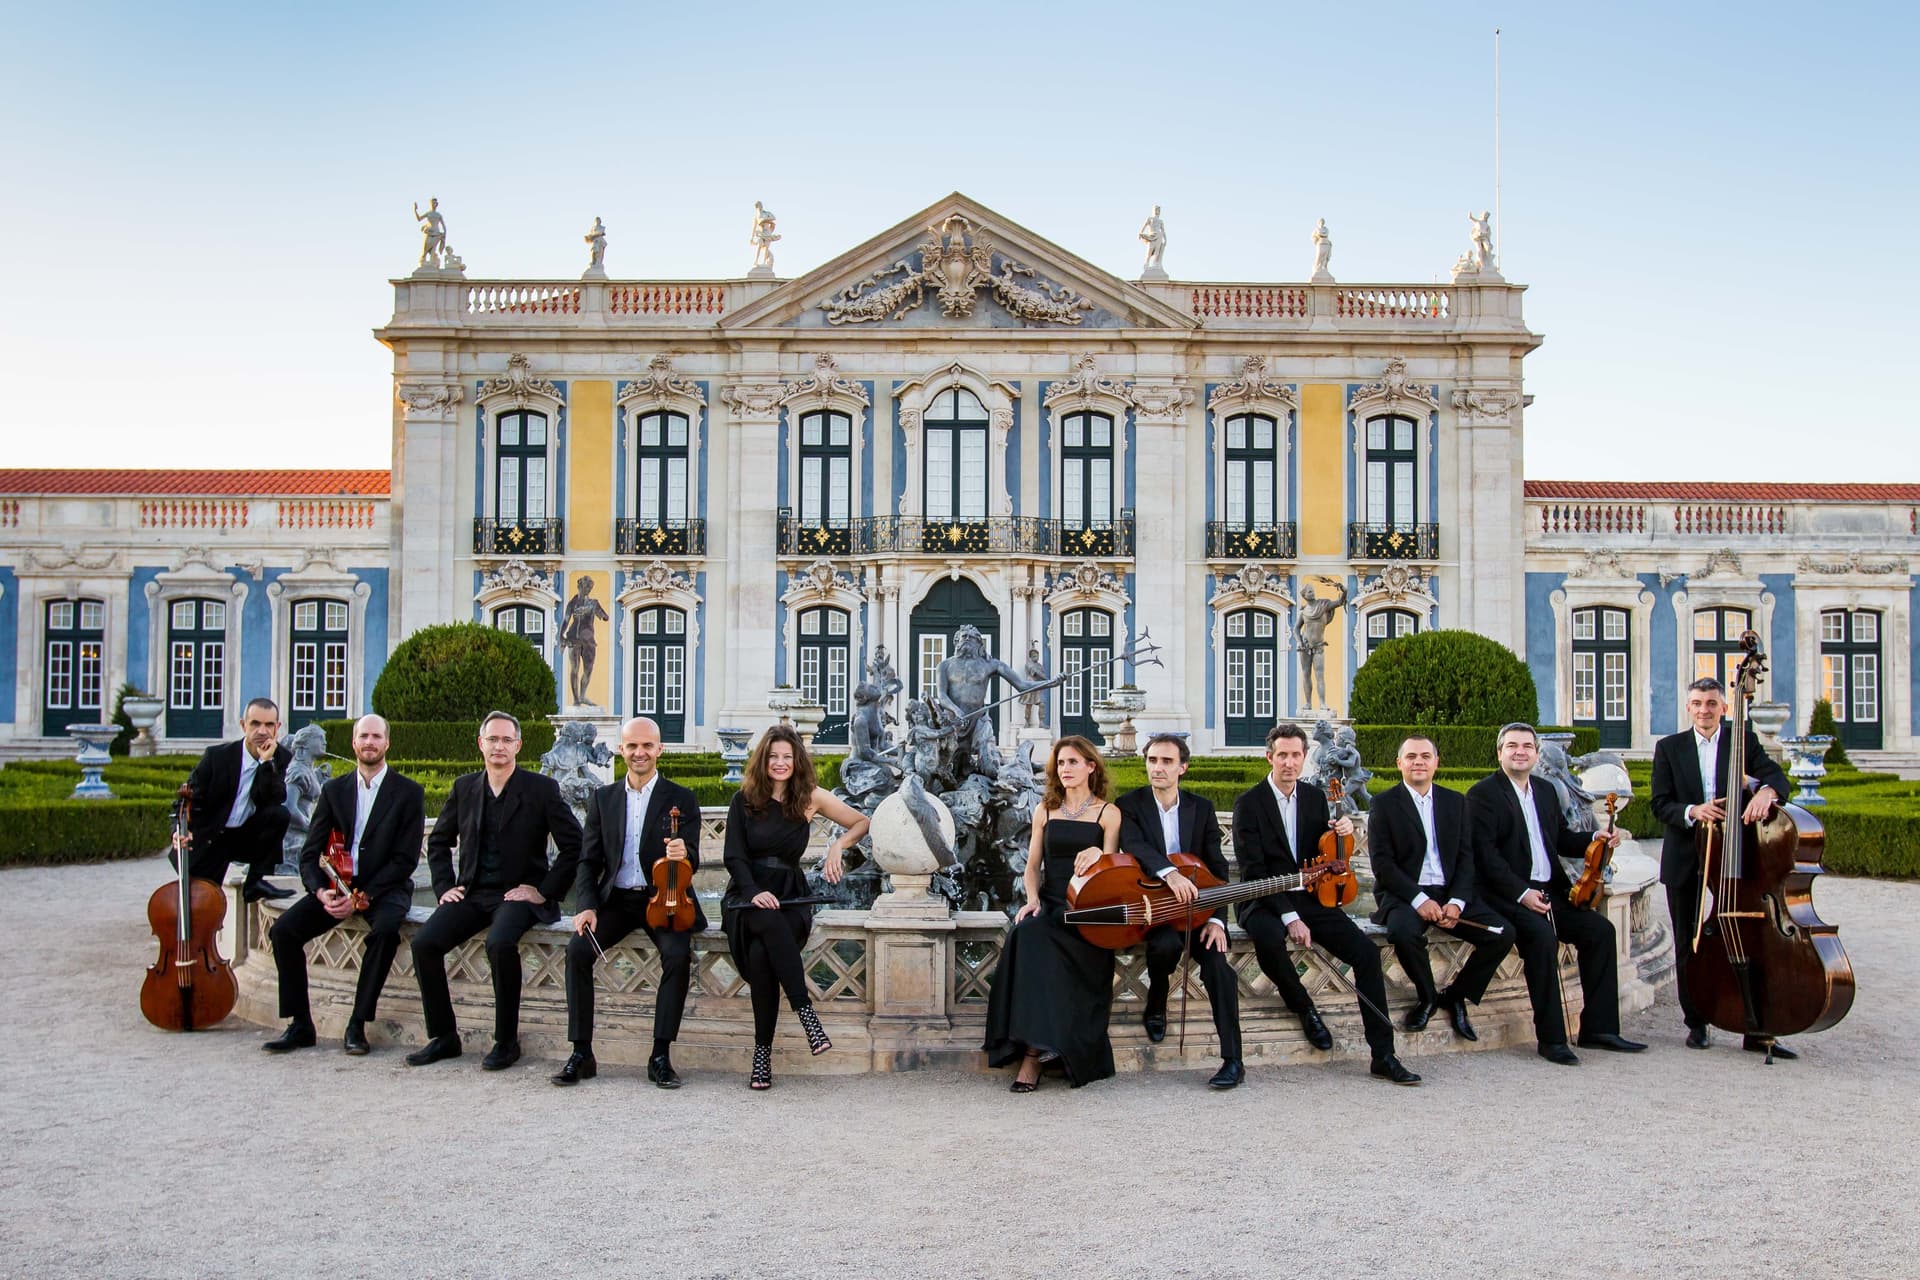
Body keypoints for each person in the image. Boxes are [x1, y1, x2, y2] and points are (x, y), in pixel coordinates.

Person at [1233, 722, 1419, 1084]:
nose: (1289, 762)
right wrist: (1290, 917)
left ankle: (1383, 1054)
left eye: (1295, 755)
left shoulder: (1316, 798)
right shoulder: (1248, 804)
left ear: (1305, 757)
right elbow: (1254, 871)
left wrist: (1343, 831)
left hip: (1310, 895)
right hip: (1262, 897)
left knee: (1366, 954)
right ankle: (1304, 1008)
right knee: (1268, 939)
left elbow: (1328, 854)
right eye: (1282, 755)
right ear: (1269, 757)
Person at [407, 711, 583, 1071]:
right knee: (424, 944)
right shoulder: (464, 787)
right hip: (472, 893)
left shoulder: (541, 789)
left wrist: (543, 891)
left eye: (506, 740)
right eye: (492, 739)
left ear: (518, 745)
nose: (499, 746)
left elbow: (575, 845)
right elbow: (438, 841)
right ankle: (444, 1037)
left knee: (499, 943)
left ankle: (506, 1041)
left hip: (518, 895)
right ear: (481, 744)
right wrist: (444, 887)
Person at [1467, 723, 1646, 1065]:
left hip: (1550, 891)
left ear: (1536, 754)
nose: (1520, 752)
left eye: (1527, 746)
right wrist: (1522, 894)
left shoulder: (1546, 791)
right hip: (1507, 894)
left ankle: (1599, 1029)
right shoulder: (1482, 794)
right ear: (1500, 753)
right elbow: (1486, 858)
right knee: (1541, 938)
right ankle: (1551, 1039)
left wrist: (1594, 839)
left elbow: (1561, 839)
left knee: (1600, 931)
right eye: (1512, 746)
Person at [262, 715, 425, 1056]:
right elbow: (310, 854)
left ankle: (357, 1023)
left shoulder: (408, 792)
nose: (369, 742)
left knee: (385, 932)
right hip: (336, 885)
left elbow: (404, 860)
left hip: (386, 888)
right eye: (364, 736)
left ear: (387, 743)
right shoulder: (334, 791)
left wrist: (364, 896)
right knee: (283, 932)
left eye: (376, 736)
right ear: (354, 743)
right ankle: (300, 1024)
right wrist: (320, 891)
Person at [555, 717, 703, 1089]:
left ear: (659, 750)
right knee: (577, 951)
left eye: (647, 746)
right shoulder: (603, 798)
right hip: (617, 902)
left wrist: (684, 853)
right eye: (632, 746)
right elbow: (588, 861)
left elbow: (694, 858)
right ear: (621, 749)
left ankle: (660, 1056)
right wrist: (586, 906)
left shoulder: (682, 798)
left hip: (665, 899)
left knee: (677, 956)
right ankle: (581, 1053)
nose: (640, 753)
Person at [1649, 678, 1794, 1056]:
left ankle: (1756, 1028)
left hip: (1738, 856)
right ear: (1688, 708)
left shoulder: (1742, 740)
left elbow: (1778, 777)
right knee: (1689, 941)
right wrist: (1692, 811)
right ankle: (1697, 1022)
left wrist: (1766, 791)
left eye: (1712, 703)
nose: (1704, 710)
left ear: (1724, 708)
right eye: (1697, 703)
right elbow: (1659, 804)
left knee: (1752, 940)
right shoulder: (1669, 748)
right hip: (1687, 855)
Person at [723, 724, 867, 1089]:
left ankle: (762, 1059)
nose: (780, 763)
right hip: (746, 896)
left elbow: (861, 822)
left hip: (790, 896)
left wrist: (837, 846)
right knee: (765, 925)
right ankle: (806, 1014)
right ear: (763, 759)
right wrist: (753, 892)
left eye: (787, 756)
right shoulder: (743, 799)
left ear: (797, 760)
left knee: (762, 955)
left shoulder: (810, 798)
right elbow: (734, 855)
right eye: (773, 756)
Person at [984, 735, 1122, 1091]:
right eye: (1060, 763)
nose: (1065, 769)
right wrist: (1032, 899)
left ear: (1091, 766)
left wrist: (1100, 855)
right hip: (1051, 903)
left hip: (1089, 909)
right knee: (1026, 934)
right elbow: (1032, 866)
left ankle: (1053, 1049)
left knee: (1062, 952)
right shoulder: (1045, 809)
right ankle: (1031, 1054)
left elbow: (1114, 869)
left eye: (1073, 762)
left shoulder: (1108, 813)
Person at [1115, 733, 1243, 1089]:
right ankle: (1157, 999)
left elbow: (1218, 866)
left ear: (1182, 768)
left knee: (1219, 969)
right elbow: (1135, 845)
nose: (1158, 768)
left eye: (1167, 761)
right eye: (1153, 760)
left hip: (1199, 911)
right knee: (1165, 946)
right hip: (1155, 907)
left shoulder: (1200, 808)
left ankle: (1233, 1060)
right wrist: (1169, 873)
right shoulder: (1129, 804)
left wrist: (1217, 919)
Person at [1367, 735, 1513, 1041]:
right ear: (1399, 763)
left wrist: (1457, 901)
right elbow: (1382, 865)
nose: (1418, 762)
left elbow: (1466, 857)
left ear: (1436, 762)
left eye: (1425, 756)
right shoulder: (1383, 803)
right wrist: (1419, 900)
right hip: (1404, 894)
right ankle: (1428, 997)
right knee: (1403, 933)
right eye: (1411, 757)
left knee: (1502, 933)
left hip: (1449, 892)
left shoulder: (1455, 801)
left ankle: (1456, 995)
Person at [182, 697, 296, 903]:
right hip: (212, 835)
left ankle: (255, 882)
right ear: (243, 725)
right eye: (255, 724)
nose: (262, 731)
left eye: (269, 725)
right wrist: (178, 830)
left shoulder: (279, 757)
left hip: (244, 836)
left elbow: (275, 798)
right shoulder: (217, 756)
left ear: (277, 728)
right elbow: (186, 799)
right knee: (202, 901)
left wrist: (266, 763)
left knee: (279, 814)